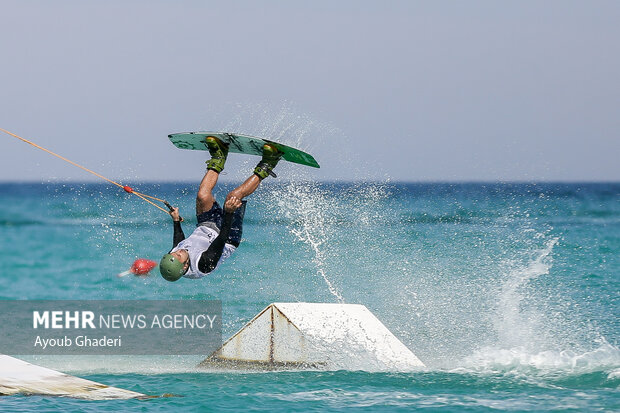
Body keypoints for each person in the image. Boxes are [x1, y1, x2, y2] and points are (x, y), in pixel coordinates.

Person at [159, 136, 282, 282]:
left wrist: (176, 221)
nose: (177, 252)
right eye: (178, 255)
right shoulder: (204, 264)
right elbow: (222, 237)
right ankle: (268, 163)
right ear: (185, 266)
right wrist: (229, 212)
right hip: (228, 237)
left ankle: (219, 156)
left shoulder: (173, 258)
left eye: (173, 254)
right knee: (233, 196)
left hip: (206, 226)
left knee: (203, 195)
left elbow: (178, 244)